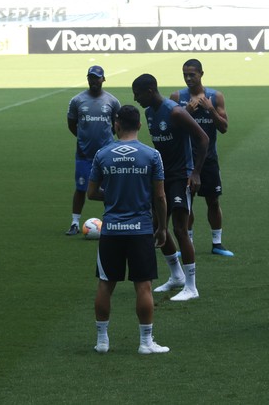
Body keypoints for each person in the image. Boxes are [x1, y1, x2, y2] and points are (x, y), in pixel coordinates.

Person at [87, 105, 169, 354]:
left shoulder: (103, 154)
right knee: (142, 286)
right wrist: (162, 227)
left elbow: (91, 193)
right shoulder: (151, 155)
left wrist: (112, 196)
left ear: (117, 124)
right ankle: (145, 342)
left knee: (105, 285)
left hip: (111, 229)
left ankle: (102, 341)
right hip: (141, 230)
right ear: (140, 126)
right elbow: (160, 196)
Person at [132, 74, 209, 302]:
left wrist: (195, 172)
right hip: (161, 176)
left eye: (137, 94)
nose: (135, 99)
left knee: (179, 229)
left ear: (149, 91)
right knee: (158, 225)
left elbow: (203, 138)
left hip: (181, 176)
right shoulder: (149, 113)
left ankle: (191, 286)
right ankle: (176, 276)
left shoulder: (174, 111)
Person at [170, 59, 233, 257]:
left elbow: (223, 128)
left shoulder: (215, 97)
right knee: (187, 203)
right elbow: (171, 130)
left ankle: (217, 243)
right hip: (185, 160)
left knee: (213, 201)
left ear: (201, 74)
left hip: (208, 159)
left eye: (192, 74)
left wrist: (210, 109)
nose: (188, 78)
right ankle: (187, 243)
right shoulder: (177, 97)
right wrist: (186, 113)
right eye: (185, 74)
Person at [65, 65, 121, 235]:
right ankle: (75, 223)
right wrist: (84, 138)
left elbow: (116, 125)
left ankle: (112, 221)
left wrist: (105, 140)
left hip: (106, 154)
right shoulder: (77, 101)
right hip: (84, 154)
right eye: (91, 77)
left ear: (103, 79)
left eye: (97, 77)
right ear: (87, 78)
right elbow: (72, 125)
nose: (94, 80)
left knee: (109, 187)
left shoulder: (112, 101)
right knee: (81, 188)